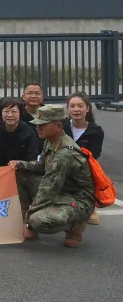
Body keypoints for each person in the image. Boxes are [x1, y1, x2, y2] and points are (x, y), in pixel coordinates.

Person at [13, 105, 95, 248]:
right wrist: (20, 164)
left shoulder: (64, 153)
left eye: (43, 125)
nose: (38, 128)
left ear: (58, 126)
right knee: (20, 173)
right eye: (38, 125)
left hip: (78, 200)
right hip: (61, 191)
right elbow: (42, 166)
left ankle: (75, 226)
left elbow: (48, 188)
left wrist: (29, 222)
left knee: (38, 220)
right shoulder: (51, 140)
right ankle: (25, 222)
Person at [64, 91, 105, 226]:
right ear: (67, 108)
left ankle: (89, 206)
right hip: (62, 165)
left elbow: (94, 155)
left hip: (83, 168)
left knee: (90, 168)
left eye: (80, 106)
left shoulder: (96, 131)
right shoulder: (61, 126)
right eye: (72, 106)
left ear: (87, 108)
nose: (76, 109)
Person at [0, 97, 41, 168]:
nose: (10, 115)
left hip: (22, 170)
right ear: (1, 113)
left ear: (20, 113)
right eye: (6, 111)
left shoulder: (29, 133)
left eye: (14, 111)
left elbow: (32, 157)